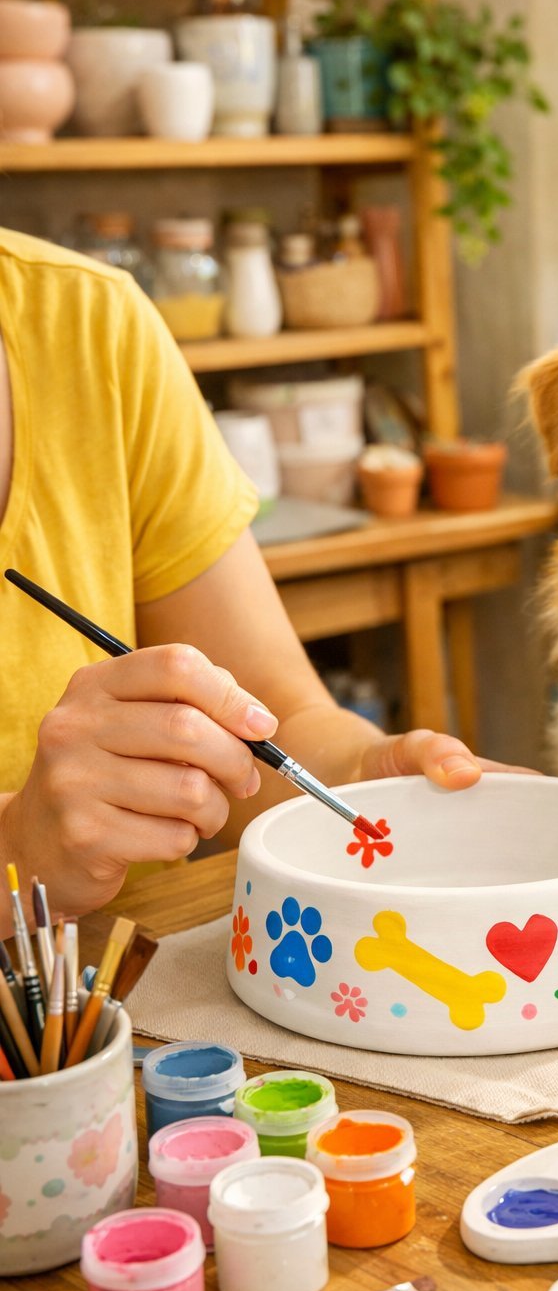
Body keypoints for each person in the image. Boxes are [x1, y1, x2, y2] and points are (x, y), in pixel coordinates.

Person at [0, 226, 506, 934]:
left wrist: (359, 774)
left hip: (131, 1007)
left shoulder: (91, 323)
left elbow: (273, 726)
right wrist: (12, 854)